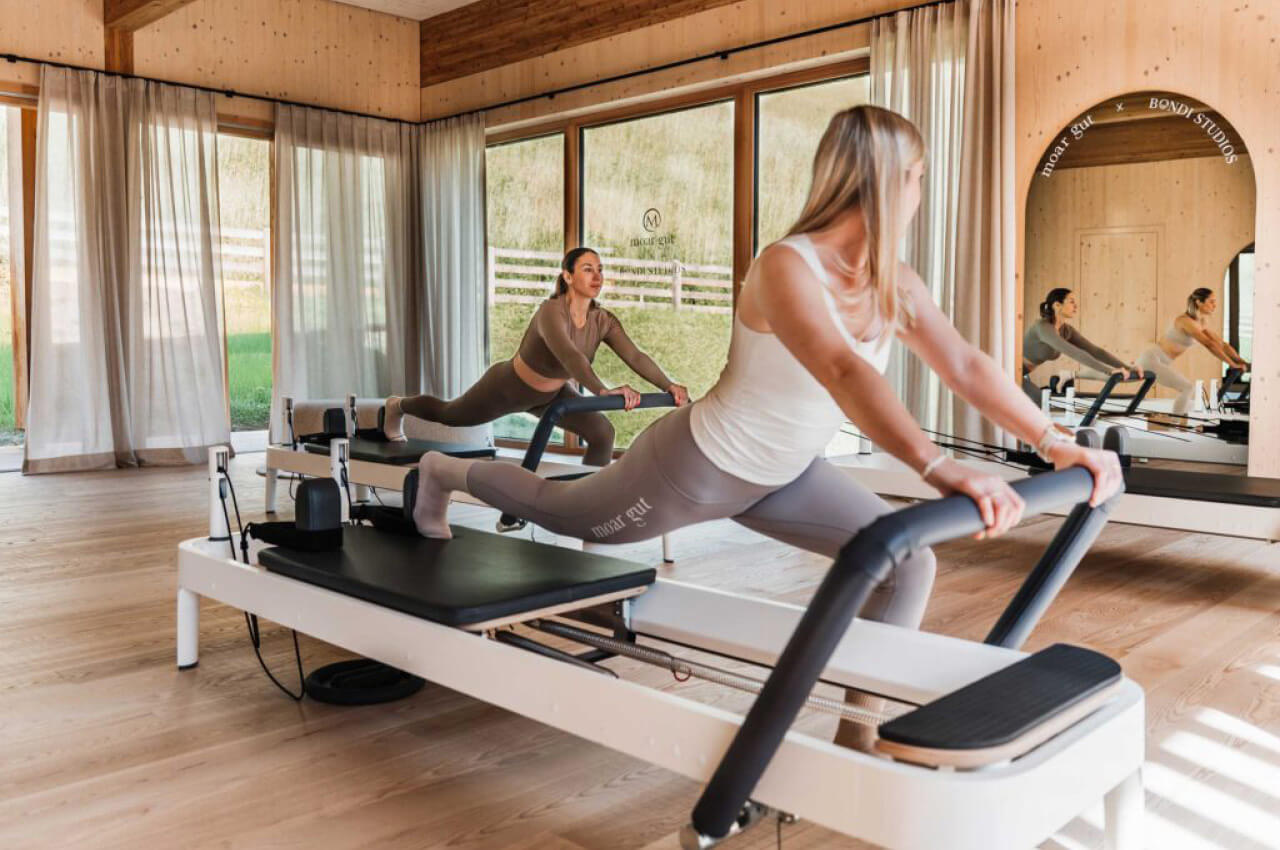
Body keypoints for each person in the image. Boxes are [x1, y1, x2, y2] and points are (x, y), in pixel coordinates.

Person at [411, 104, 1123, 744]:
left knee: (908, 564)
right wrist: (938, 467)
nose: (919, 193)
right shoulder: (787, 268)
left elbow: (966, 365)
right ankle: (443, 471)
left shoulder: (894, 281)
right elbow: (845, 373)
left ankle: (857, 744)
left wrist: (1056, 446)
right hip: (694, 469)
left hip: (786, 475)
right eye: (918, 177)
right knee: (562, 513)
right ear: (888, 179)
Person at [382, 247, 690, 466]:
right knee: (450, 415)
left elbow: (635, 355)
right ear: (567, 276)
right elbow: (570, 356)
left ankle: (585, 501)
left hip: (553, 395)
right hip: (506, 388)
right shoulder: (549, 312)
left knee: (602, 433)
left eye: (600, 269)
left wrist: (669, 384)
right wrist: (603, 391)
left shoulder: (603, 320)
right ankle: (399, 405)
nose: (597, 275)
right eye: (587, 269)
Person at [1135, 287, 1250, 415]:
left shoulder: (1200, 322)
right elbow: (1209, 344)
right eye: (1211, 301)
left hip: (1161, 361)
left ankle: (1177, 422)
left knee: (1188, 397)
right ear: (1199, 302)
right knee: (1187, 388)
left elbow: (1221, 344)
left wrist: (1241, 361)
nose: (1215, 305)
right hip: (1152, 359)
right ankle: (1175, 424)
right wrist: (1233, 364)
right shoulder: (1185, 321)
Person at [1022, 288, 1143, 399]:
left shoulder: (1066, 330)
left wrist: (1127, 368)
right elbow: (1075, 353)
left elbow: (1095, 351)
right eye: (1071, 301)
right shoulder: (1042, 327)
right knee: (1039, 402)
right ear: (1057, 305)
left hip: (1023, 373)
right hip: (1010, 371)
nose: (1076, 305)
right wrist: (1109, 371)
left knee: (1042, 401)